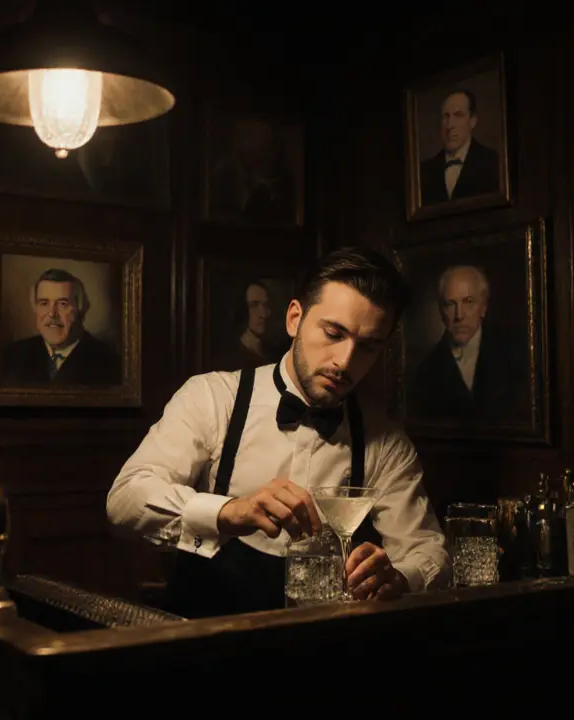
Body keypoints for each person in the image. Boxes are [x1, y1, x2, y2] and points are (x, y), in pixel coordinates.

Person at [107, 247, 451, 618]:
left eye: (367, 347)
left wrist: (400, 578)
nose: (345, 361)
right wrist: (228, 512)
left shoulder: (384, 441)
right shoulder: (212, 398)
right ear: (294, 318)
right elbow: (125, 500)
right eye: (333, 333)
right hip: (204, 646)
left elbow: (430, 553)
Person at [409, 264, 528, 423]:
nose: (459, 315)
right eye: (450, 304)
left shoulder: (515, 353)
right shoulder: (425, 372)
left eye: (468, 302)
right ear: (440, 311)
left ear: (484, 307)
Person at [0, 268, 121, 386]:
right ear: (35, 308)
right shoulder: (14, 355)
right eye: (44, 303)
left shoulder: (109, 362)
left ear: (81, 309)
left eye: (63, 304)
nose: (52, 313)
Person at [419, 89, 501, 206]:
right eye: (445, 116)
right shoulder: (424, 172)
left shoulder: (493, 162)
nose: (450, 125)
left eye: (458, 115)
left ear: (472, 121)